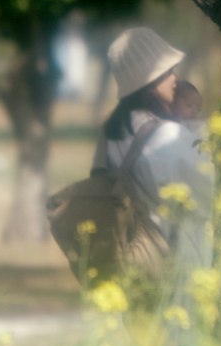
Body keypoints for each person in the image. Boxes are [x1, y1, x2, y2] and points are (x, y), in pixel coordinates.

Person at [58, 22, 211, 299]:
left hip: (133, 266)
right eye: (167, 72)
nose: (175, 79)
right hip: (175, 266)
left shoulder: (114, 132)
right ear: (149, 84)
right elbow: (212, 193)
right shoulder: (167, 136)